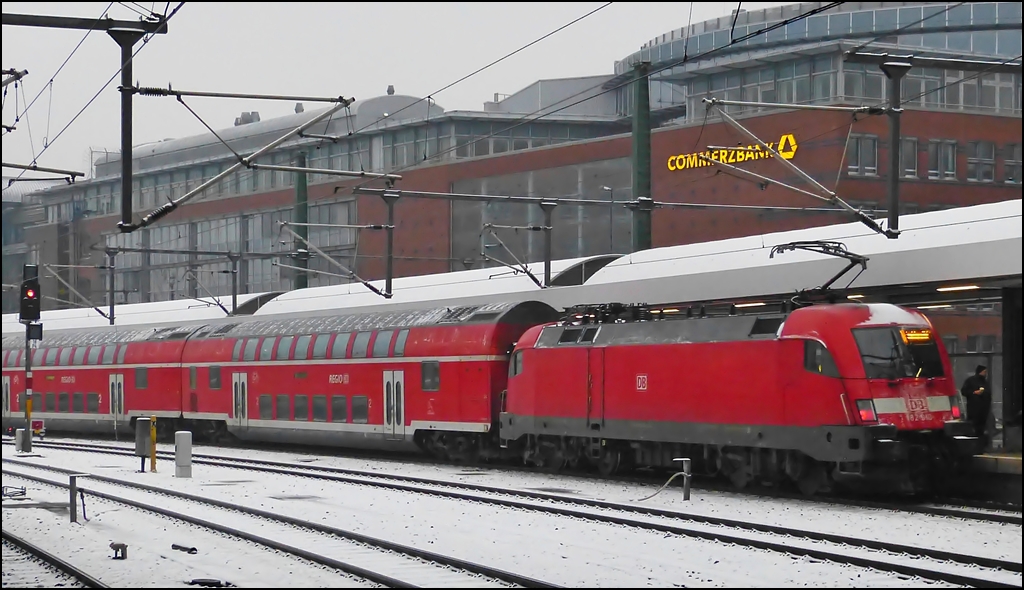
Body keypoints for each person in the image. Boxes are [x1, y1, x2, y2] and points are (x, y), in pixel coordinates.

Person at [960, 365, 991, 446]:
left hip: (983, 410)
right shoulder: (970, 381)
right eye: (984, 371)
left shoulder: (985, 382)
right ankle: (973, 445)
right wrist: (974, 393)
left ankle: (981, 446)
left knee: (981, 428)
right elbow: (964, 391)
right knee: (973, 427)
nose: (985, 373)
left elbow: (989, 393)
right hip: (973, 409)